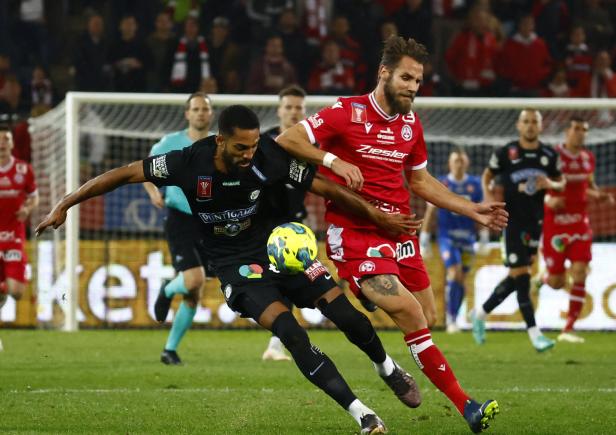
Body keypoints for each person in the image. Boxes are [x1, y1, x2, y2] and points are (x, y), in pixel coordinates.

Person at [37, 105, 429, 434]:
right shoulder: (188, 162)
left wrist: (376, 214)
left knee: (346, 316)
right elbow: (122, 174)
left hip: (276, 250)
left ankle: (387, 367)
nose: (249, 154)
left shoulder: (268, 156)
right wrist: (65, 205)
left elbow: (323, 188)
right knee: (290, 332)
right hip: (233, 265)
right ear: (221, 140)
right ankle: (362, 413)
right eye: (242, 147)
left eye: (254, 145)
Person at [276, 36, 507, 433]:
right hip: (355, 233)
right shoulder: (345, 112)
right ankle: (467, 406)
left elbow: (419, 181)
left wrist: (471, 209)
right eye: (406, 78)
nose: (413, 88)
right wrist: (333, 159)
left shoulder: (410, 124)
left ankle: (371, 294)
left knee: (427, 317)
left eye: (418, 81)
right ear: (384, 73)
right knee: (414, 315)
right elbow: (287, 140)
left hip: (400, 234)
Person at [471, 109, 565, 352]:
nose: (530, 126)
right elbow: (487, 175)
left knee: (516, 278)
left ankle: (479, 313)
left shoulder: (548, 155)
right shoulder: (506, 152)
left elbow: (561, 181)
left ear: (540, 127)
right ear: (518, 125)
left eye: (534, 122)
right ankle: (535, 335)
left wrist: (550, 184)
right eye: (526, 122)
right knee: (523, 278)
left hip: (535, 224)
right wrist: (488, 196)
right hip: (510, 222)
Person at [143, 92, 215, 365]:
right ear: (187, 114)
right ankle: (165, 289)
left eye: (204, 109)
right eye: (195, 109)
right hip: (180, 217)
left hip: (209, 220)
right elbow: (146, 171)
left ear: (211, 114)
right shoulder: (170, 143)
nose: (200, 113)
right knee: (194, 279)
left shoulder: (219, 143)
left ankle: (169, 350)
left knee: (195, 292)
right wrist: (152, 192)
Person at [535, 117, 614, 343]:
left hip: (580, 223)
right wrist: (548, 200)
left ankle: (568, 328)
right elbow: (537, 185)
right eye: (576, 129)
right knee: (558, 282)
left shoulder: (588, 158)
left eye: (584, 130)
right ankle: (544, 278)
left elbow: (587, 187)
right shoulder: (553, 157)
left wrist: (597, 194)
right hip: (556, 225)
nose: (580, 133)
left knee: (580, 272)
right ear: (566, 132)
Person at [260, 84, 307, 362]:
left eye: (298, 107)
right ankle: (278, 340)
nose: (293, 112)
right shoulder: (264, 143)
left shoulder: (310, 145)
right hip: (263, 224)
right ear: (279, 110)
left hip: (293, 225)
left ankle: (277, 343)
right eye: (288, 107)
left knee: (290, 282)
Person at [419, 148, 488, 333]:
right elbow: (431, 211)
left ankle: (454, 318)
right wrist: (424, 239)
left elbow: (481, 211)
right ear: (450, 163)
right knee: (454, 273)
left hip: (468, 239)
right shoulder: (442, 183)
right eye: (455, 160)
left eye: (461, 160)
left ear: (467, 163)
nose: (458, 163)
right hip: (446, 237)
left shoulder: (475, 185)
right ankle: (450, 320)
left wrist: (483, 236)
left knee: (461, 280)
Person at [0, 121, 38, 311]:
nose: (1, 144)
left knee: (16, 292)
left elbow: (34, 197)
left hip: (14, 238)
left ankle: (2, 289)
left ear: (12, 143)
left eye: (5, 139)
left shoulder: (23, 169)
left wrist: (27, 209)